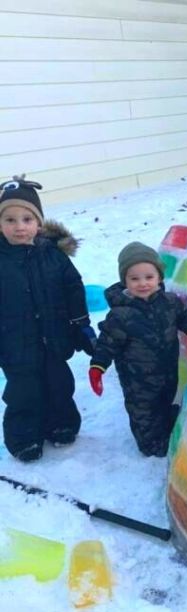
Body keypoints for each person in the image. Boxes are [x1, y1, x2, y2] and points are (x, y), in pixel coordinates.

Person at [0, 176, 93, 462]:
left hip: (54, 338)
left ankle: (61, 423)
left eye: (27, 219)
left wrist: (81, 325)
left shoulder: (53, 256)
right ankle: (24, 437)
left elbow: (73, 289)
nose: (19, 227)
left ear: (39, 223)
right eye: (10, 219)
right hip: (14, 342)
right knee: (22, 392)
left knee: (59, 383)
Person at [88, 243, 187, 457]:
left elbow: (185, 319)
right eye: (134, 279)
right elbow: (107, 343)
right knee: (144, 412)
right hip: (137, 380)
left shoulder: (170, 302)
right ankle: (149, 443)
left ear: (159, 277)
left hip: (167, 370)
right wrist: (97, 367)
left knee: (166, 399)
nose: (143, 283)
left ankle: (167, 423)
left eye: (148, 277)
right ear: (125, 281)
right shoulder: (120, 315)